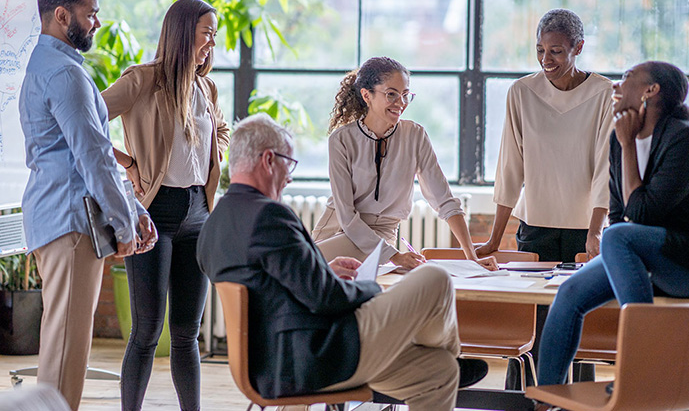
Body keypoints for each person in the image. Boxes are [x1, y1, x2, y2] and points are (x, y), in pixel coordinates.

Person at [196, 114, 489, 411]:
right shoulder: (270, 216)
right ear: (269, 160)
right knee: (434, 279)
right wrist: (370, 287)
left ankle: (445, 357)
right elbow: (325, 298)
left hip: (271, 366)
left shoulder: (214, 224)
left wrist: (321, 270)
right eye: (289, 163)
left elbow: (270, 289)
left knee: (439, 371)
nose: (290, 176)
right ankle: (448, 351)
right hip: (317, 358)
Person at [534, 61, 689, 391]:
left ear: (651, 91)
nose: (616, 87)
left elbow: (643, 214)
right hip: (655, 257)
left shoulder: (685, 140)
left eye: (627, 78)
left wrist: (628, 145)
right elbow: (619, 214)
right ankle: (546, 397)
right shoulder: (618, 141)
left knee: (618, 237)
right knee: (570, 293)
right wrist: (624, 144)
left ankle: (643, 369)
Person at [19, 0, 157, 411]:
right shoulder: (64, 75)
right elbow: (94, 158)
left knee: (65, 349)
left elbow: (94, 153)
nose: (96, 22)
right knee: (64, 355)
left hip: (61, 218)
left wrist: (133, 210)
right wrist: (126, 221)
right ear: (62, 15)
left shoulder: (51, 66)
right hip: (71, 224)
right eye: (90, 13)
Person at [101, 0, 230, 411]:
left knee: (186, 334)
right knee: (146, 333)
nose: (212, 42)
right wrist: (128, 163)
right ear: (182, 32)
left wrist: (217, 155)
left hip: (199, 214)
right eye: (206, 32)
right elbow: (87, 117)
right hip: (153, 214)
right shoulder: (142, 79)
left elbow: (222, 130)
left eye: (214, 34)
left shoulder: (206, 86)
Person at [476, 8, 613, 387]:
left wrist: (596, 230)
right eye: (540, 50)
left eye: (555, 51)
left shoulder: (604, 93)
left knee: (577, 324)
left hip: (584, 230)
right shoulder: (521, 92)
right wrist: (494, 237)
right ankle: (525, 399)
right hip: (534, 226)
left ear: (578, 47)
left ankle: (575, 398)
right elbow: (510, 168)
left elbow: (605, 169)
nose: (545, 60)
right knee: (536, 324)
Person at [311, 56, 497, 271]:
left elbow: (444, 200)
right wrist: (395, 257)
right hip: (337, 230)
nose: (400, 103)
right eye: (391, 94)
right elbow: (347, 217)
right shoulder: (341, 139)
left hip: (381, 237)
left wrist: (471, 258)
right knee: (301, 272)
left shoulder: (415, 135)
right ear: (366, 95)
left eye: (405, 95)